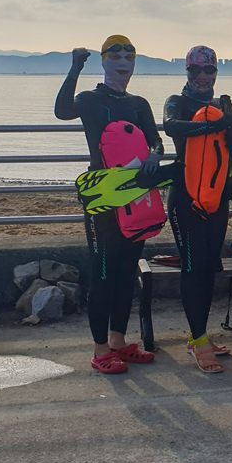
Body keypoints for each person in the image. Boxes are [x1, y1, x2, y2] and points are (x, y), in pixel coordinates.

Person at [54, 35, 162, 374]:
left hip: (134, 196)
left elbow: (155, 140)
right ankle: (100, 349)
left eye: (130, 56)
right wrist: (75, 68)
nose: (124, 61)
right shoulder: (90, 100)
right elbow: (61, 111)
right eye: (116, 56)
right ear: (103, 61)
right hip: (101, 199)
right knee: (103, 273)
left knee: (127, 272)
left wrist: (155, 156)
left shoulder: (139, 104)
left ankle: (118, 341)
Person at [163, 45, 232, 373]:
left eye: (208, 70)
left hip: (218, 198)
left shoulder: (222, 105)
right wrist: (216, 126)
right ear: (187, 72)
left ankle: (198, 335)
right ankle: (199, 341)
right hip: (185, 199)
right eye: (195, 70)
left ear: (216, 72)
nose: (202, 76)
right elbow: (171, 127)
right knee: (192, 268)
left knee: (209, 267)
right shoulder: (177, 101)